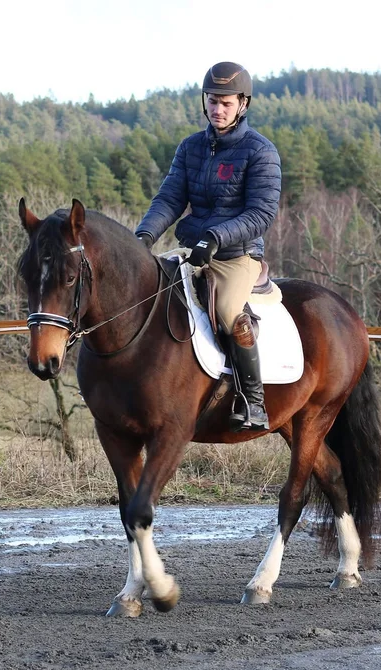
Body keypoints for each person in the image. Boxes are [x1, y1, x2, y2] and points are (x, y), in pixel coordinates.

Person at [134, 61, 281, 431]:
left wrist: (216, 237)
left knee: (230, 310)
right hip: (193, 250)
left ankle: (254, 402)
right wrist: (143, 237)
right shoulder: (190, 148)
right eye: (212, 101)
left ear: (242, 104)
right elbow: (169, 199)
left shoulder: (260, 152)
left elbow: (261, 213)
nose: (218, 109)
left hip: (237, 255)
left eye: (226, 103)